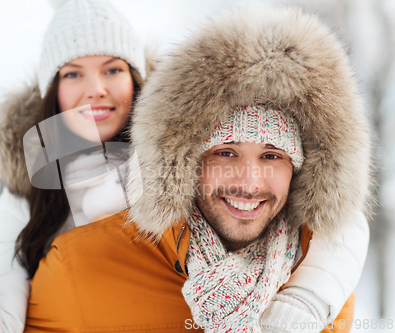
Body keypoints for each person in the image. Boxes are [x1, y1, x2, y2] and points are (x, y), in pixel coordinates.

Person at [24, 7, 370, 333]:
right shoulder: (78, 269)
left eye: (272, 156)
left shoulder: (321, 289)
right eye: (226, 152)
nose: (249, 183)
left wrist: (304, 301)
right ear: (185, 162)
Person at [0, 0, 146, 332]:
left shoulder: (187, 172)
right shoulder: (27, 200)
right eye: (73, 73)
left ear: (136, 79)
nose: (96, 90)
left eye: (112, 69)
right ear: (53, 91)